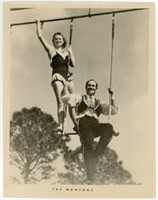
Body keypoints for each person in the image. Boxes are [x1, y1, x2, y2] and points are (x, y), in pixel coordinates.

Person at [61, 79, 119, 183]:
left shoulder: (99, 102)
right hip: (84, 124)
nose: (91, 87)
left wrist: (112, 95)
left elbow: (114, 110)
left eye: (93, 86)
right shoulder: (79, 98)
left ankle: (96, 155)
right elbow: (65, 98)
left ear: (96, 88)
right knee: (88, 146)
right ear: (86, 87)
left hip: (95, 125)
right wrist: (66, 85)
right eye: (89, 85)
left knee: (109, 127)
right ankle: (90, 176)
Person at [36, 20, 75, 132]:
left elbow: (73, 64)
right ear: (53, 41)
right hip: (57, 77)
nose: (58, 40)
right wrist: (38, 24)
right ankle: (60, 125)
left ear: (63, 41)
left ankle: (72, 125)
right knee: (60, 102)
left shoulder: (67, 52)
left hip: (68, 79)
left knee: (71, 102)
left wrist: (71, 52)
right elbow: (40, 36)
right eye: (56, 39)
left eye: (60, 39)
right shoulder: (51, 51)